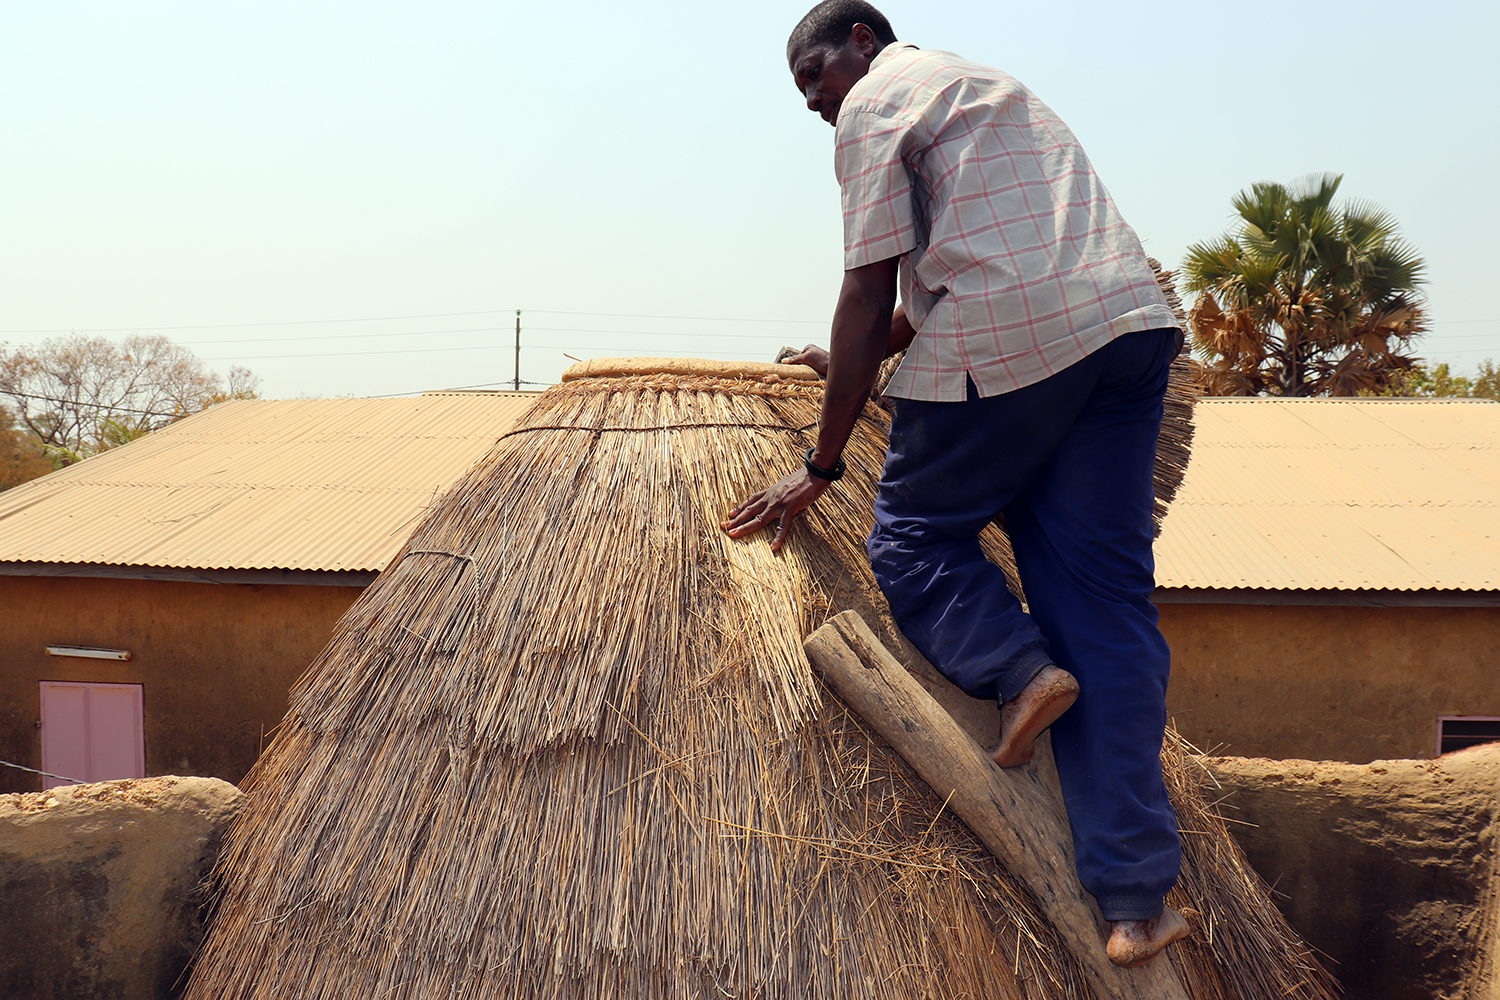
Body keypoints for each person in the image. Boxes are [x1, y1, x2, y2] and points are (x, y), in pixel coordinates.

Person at [722, 0, 1190, 968]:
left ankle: (1021, 673)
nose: (813, 102)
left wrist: (820, 463)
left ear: (863, 40)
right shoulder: (989, 87)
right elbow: (986, 257)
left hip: (1010, 342)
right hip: (1127, 332)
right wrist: (860, 352)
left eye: (814, 75)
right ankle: (1138, 902)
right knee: (1104, 609)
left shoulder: (873, 105)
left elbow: (870, 287)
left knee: (911, 538)